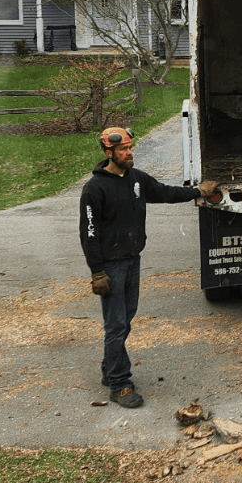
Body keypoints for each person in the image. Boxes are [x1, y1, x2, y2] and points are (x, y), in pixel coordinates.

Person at [80, 127, 218, 408]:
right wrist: (97, 272)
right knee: (116, 324)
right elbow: (89, 232)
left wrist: (196, 192)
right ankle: (119, 383)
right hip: (111, 266)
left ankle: (110, 369)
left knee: (124, 319)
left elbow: (165, 193)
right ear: (109, 153)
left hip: (133, 260)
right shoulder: (94, 189)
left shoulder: (136, 179)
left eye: (130, 148)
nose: (128, 153)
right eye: (122, 150)